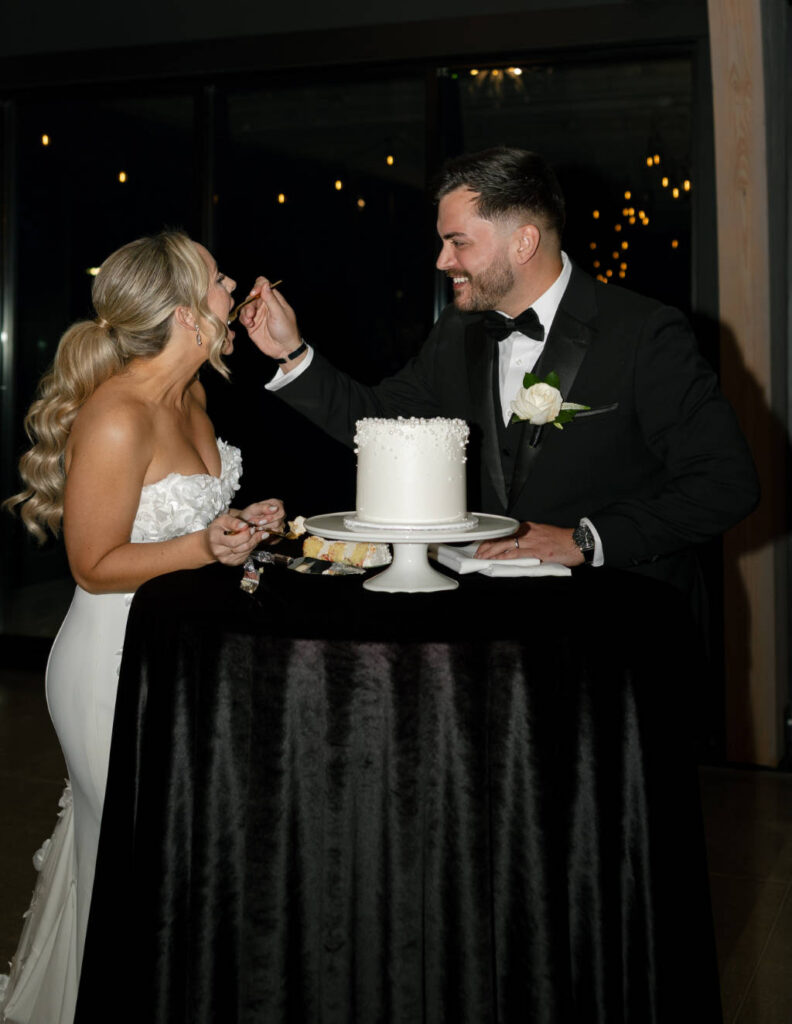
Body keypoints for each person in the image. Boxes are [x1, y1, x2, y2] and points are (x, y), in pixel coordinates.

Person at [240, 146, 758, 594]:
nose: (442, 261)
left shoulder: (644, 331)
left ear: (524, 242)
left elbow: (725, 482)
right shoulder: (456, 333)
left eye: (458, 242)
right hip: (496, 631)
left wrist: (586, 538)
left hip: (623, 624)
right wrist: (293, 354)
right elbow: (379, 422)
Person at [0, 231, 285, 1024]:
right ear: (186, 310)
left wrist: (237, 531)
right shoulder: (117, 415)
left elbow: (193, 532)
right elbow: (93, 563)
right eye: (221, 279)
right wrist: (203, 543)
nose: (236, 286)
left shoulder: (192, 397)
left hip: (177, 658)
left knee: (167, 858)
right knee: (131, 858)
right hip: (109, 666)